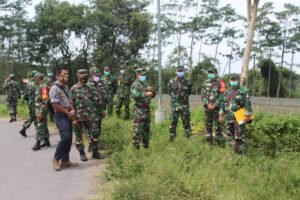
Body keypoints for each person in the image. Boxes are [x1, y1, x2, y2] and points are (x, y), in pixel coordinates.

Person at [49, 67, 77, 171]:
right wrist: (67, 112)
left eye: (67, 74)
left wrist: (72, 110)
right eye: (63, 74)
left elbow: (70, 102)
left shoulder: (65, 87)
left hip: (68, 114)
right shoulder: (54, 88)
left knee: (69, 139)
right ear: (58, 75)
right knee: (65, 137)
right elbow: (55, 105)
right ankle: (56, 159)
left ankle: (65, 161)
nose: (66, 76)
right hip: (60, 115)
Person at [70, 69, 102, 161]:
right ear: (78, 76)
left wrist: (99, 112)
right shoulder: (74, 88)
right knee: (79, 135)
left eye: (85, 76)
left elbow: (97, 100)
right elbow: (71, 104)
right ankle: (82, 153)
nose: (83, 78)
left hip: (91, 116)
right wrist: (73, 118)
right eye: (82, 76)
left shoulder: (91, 87)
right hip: (79, 117)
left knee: (94, 134)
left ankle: (95, 152)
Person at [219, 73, 252, 153]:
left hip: (240, 115)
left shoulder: (243, 91)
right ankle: (232, 153)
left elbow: (248, 103)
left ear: (238, 80)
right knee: (229, 136)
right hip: (228, 117)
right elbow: (223, 104)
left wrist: (247, 116)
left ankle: (241, 155)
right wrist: (220, 115)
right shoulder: (226, 92)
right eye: (232, 80)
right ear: (229, 81)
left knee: (239, 137)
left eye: (235, 80)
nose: (233, 81)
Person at [130, 68, 155, 149]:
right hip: (139, 111)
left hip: (147, 110)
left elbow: (152, 95)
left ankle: (146, 148)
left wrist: (152, 91)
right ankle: (135, 149)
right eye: (141, 75)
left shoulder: (146, 84)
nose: (143, 76)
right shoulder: (134, 85)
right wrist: (145, 94)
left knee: (146, 130)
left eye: (144, 75)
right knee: (138, 130)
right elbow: (135, 95)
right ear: (137, 75)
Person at [201, 66, 224, 144]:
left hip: (216, 108)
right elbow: (203, 95)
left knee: (218, 126)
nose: (210, 74)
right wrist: (207, 104)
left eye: (212, 72)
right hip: (207, 108)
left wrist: (215, 105)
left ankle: (218, 143)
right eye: (209, 72)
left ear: (216, 73)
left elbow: (222, 96)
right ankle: (209, 143)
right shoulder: (205, 83)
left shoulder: (220, 83)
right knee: (208, 125)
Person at [168, 66, 192, 142]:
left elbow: (188, 92)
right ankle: (172, 139)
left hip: (184, 106)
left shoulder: (188, 82)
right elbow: (169, 92)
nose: (180, 72)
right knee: (173, 122)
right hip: (175, 105)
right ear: (176, 72)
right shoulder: (171, 81)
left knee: (186, 123)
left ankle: (188, 138)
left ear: (184, 72)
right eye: (179, 71)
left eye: (181, 71)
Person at [86, 66, 105, 155]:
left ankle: (93, 145)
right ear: (91, 75)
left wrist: (103, 110)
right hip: (91, 111)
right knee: (93, 129)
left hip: (99, 111)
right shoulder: (87, 85)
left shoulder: (99, 84)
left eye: (99, 75)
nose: (98, 77)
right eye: (96, 75)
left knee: (98, 129)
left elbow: (101, 98)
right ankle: (93, 148)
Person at [31, 73, 51, 151]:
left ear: (38, 79)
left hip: (41, 110)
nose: (35, 80)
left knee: (40, 125)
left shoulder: (43, 87)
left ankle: (38, 143)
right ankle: (46, 141)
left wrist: (41, 112)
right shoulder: (40, 86)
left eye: (35, 79)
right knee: (44, 125)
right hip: (39, 109)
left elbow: (45, 100)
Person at [19, 71, 37, 137]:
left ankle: (23, 129)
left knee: (32, 116)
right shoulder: (34, 84)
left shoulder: (29, 83)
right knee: (34, 116)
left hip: (30, 102)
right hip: (34, 102)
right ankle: (24, 129)